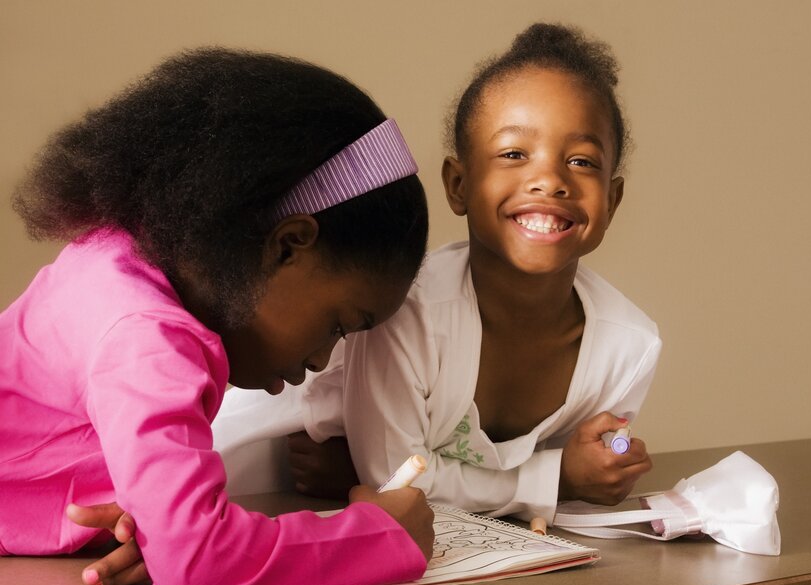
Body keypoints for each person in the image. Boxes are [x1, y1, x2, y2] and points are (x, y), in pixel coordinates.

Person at [0, 48, 434, 585]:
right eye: (340, 325)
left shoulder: (114, 258)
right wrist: (380, 535)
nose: (325, 359)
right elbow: (200, 563)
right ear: (288, 245)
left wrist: (163, 529)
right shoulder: (146, 336)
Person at [216, 22, 662, 524]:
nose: (550, 180)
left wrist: (603, 465)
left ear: (614, 198)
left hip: (359, 510)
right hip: (255, 487)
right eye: (514, 154)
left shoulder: (632, 344)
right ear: (457, 185)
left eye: (581, 160)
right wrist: (556, 478)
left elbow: (404, 481)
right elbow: (394, 480)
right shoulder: (407, 310)